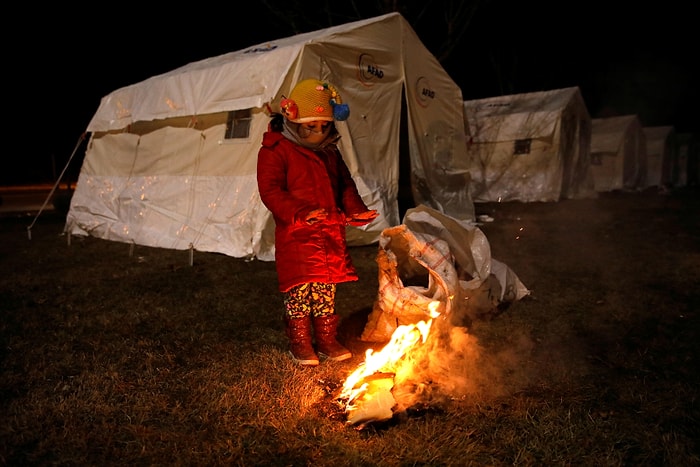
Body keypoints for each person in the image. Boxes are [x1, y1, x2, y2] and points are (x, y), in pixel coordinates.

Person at [256, 78, 379, 367]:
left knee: (325, 290)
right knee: (300, 291)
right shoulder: (276, 150)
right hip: (297, 235)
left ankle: (326, 340)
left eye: (324, 126)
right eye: (312, 127)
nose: (319, 132)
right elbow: (271, 191)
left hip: (329, 232)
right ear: (293, 119)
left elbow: (344, 185)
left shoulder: (330, 151)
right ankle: (299, 343)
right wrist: (300, 213)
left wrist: (355, 210)